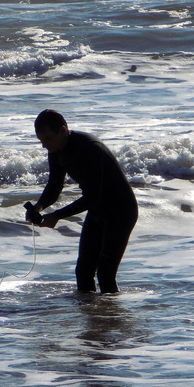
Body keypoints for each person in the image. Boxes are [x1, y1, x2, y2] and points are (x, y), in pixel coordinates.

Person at [26, 110, 138, 294]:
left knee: (105, 274)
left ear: (63, 130)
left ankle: (112, 319)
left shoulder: (90, 147)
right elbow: (54, 186)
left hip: (121, 211)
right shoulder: (56, 149)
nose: (44, 146)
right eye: (41, 141)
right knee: (83, 273)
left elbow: (94, 195)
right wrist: (39, 206)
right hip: (97, 211)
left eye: (47, 139)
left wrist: (57, 215)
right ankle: (92, 318)